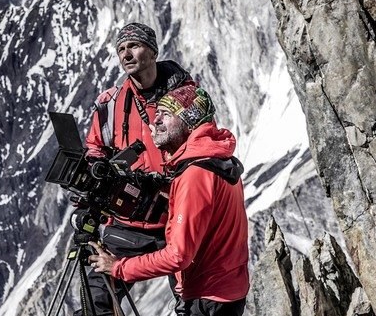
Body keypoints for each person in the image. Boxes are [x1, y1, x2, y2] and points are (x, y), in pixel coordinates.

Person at [88, 85, 249, 316]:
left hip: (207, 297)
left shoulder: (195, 174)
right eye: (157, 114)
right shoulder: (219, 160)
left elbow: (178, 255)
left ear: (189, 120)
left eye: (166, 114)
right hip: (228, 290)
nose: (156, 121)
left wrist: (118, 267)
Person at [79, 22, 194, 315]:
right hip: (127, 222)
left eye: (134, 46)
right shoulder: (110, 104)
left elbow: (203, 148)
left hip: (177, 220)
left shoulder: (186, 99)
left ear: (152, 51)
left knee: (193, 305)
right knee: (95, 305)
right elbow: (95, 148)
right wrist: (96, 173)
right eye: (121, 49)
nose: (126, 54)